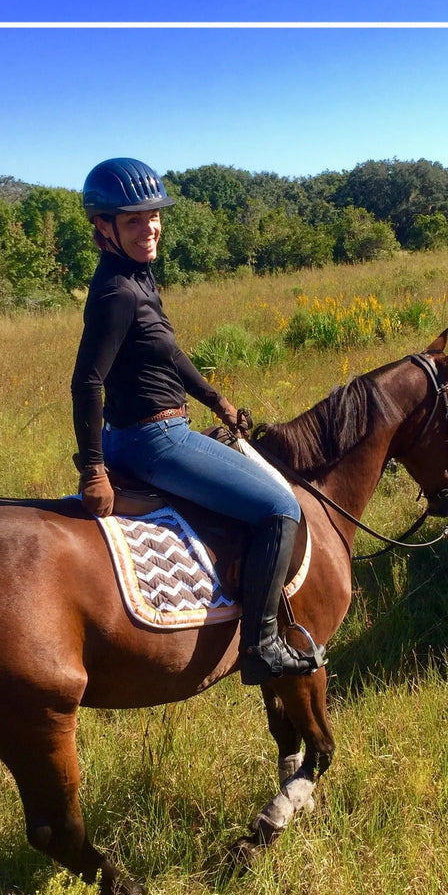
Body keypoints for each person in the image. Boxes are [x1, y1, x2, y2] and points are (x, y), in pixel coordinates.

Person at [71, 157, 324, 685]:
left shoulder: (137, 277)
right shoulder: (118, 291)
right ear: (103, 226)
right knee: (280, 506)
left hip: (148, 433)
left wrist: (216, 401)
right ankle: (260, 647)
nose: (151, 227)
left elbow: (168, 353)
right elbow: (86, 381)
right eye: (135, 220)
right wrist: (92, 468)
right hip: (154, 441)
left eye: (154, 216)